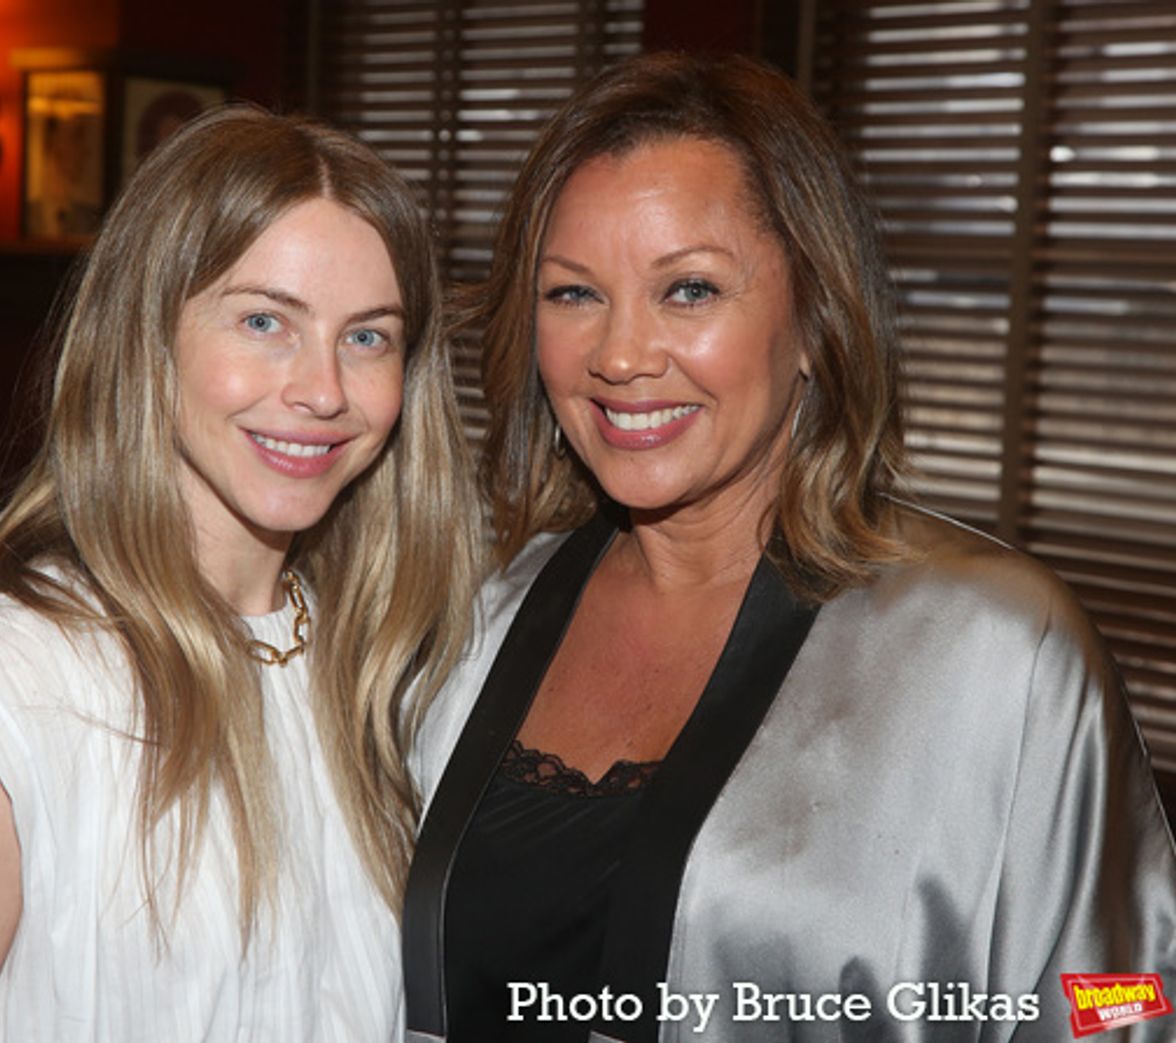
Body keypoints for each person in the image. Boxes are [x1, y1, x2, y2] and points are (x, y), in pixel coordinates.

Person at [403, 53, 1176, 1043]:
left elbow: (1124, 998)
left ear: (812, 316)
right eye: (571, 293)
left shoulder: (993, 650)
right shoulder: (475, 624)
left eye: (687, 289)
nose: (620, 355)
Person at [0, 105, 480, 1042]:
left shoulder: (383, 675)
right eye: (264, 319)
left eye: (367, 337)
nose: (323, 389)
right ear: (148, 339)